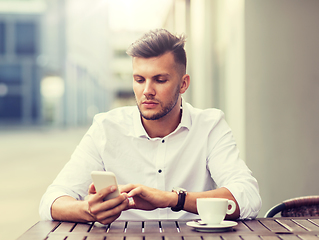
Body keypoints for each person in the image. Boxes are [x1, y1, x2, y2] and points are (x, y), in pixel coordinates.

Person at [39, 29, 261, 225]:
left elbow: (248, 196)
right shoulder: (106, 128)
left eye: (160, 80)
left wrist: (173, 199)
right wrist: (88, 210)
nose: (147, 90)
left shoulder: (210, 125)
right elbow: (51, 201)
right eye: (139, 79)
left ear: (183, 84)